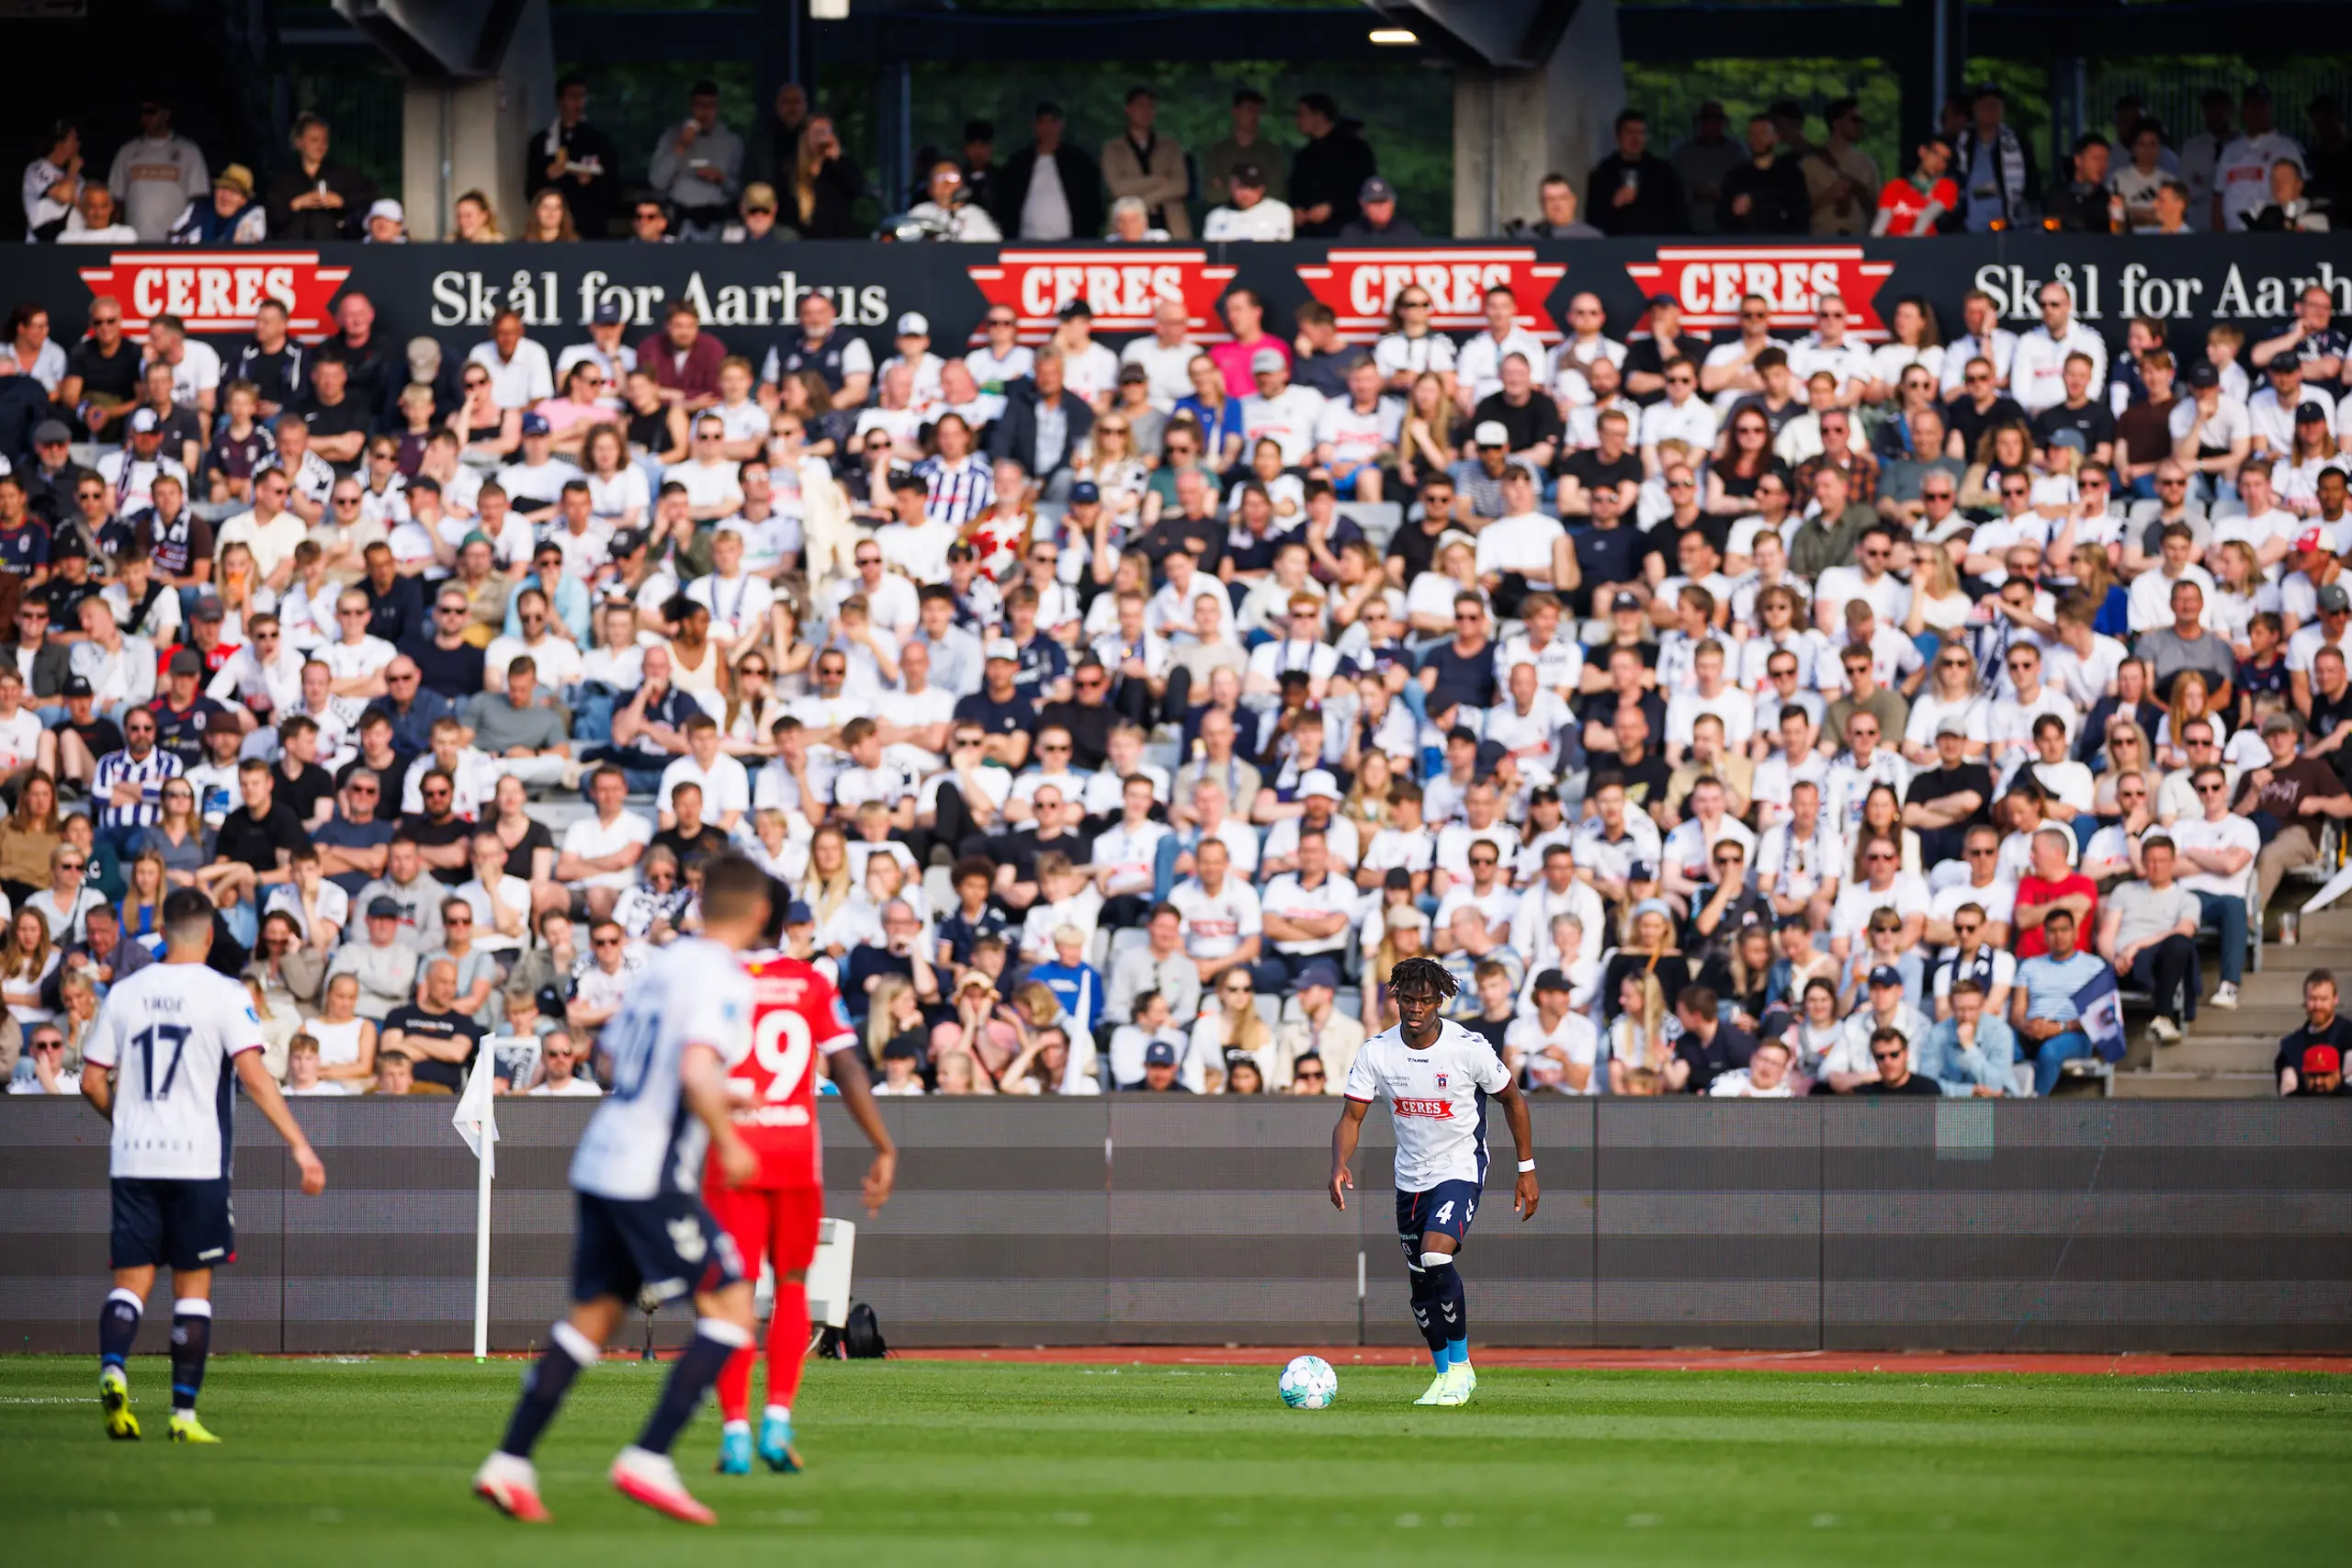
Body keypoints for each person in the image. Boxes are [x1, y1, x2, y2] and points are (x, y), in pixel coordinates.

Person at [471, 861, 770, 1523]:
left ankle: (509, 1462)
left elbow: (612, 1058)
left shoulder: (661, 963)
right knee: (731, 1309)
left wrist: (718, 1095)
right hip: (649, 1169)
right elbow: (694, 1068)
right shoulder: (723, 976)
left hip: (603, 1151)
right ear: (756, 915)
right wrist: (729, 1138)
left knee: (592, 1321)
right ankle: (649, 1457)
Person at [83, 887, 328, 1443]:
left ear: (162, 932)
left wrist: (124, 1121)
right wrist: (300, 1145)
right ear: (211, 935)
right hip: (197, 1159)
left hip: (134, 1156)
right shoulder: (224, 993)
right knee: (192, 1290)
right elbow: (254, 1075)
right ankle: (183, 1417)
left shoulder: (124, 992)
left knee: (131, 1282)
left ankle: (114, 1368)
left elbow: (92, 1080)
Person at [1328, 954, 1536, 1408]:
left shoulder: (1468, 1048)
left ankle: (1462, 1368)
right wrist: (1339, 1162)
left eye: (1425, 1001)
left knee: (1435, 1254)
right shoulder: (1377, 1051)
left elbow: (1513, 1100)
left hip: (1460, 1166)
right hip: (1410, 1175)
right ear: (1396, 999)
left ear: (1440, 1001)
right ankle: (1443, 1375)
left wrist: (1526, 1168)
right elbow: (1351, 1116)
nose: (1416, 1008)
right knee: (1421, 1285)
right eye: (1408, 999)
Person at [2009, 907, 2106, 1096]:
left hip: (2074, 1033)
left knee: (2050, 1052)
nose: (2058, 936)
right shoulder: (2030, 966)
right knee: (2005, 1047)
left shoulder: (2094, 966)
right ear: (2045, 935)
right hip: (2033, 1029)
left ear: (2075, 933)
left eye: (2064, 930)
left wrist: (2060, 1027)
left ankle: (2032, 1105)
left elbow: (2099, 1015)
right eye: (2052, 931)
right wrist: (2027, 1026)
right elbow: (2017, 1013)